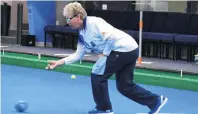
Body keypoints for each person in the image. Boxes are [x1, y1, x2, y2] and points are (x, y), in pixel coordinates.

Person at [46, 2, 168, 114]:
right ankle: (155, 100)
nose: (67, 21)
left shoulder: (94, 23)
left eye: (69, 18)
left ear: (78, 17)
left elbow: (111, 38)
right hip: (128, 50)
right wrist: (59, 62)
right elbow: (78, 54)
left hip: (124, 49)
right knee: (124, 86)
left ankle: (104, 109)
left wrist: (104, 54)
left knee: (97, 74)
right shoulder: (82, 33)